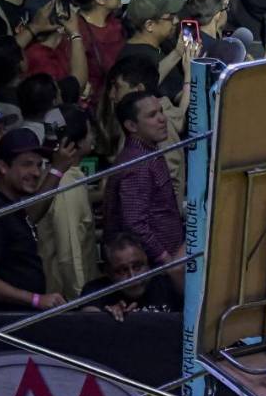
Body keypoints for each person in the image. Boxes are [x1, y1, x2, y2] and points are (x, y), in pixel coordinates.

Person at [0, 128, 81, 312]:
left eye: (39, 165)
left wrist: (57, 170)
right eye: (27, 164)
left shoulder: (7, 202)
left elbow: (31, 216)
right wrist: (35, 299)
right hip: (0, 324)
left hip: (16, 317)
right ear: (4, 167)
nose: (36, 172)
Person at [102, 91, 185, 279]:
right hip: (154, 268)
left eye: (161, 112)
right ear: (131, 125)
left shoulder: (148, 153)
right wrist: (165, 259)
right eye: (152, 115)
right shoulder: (138, 164)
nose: (162, 119)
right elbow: (135, 223)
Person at [36, 106, 93, 300]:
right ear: (72, 143)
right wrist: (80, 300)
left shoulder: (58, 177)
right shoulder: (66, 184)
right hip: (66, 298)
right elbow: (69, 253)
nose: (93, 136)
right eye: (90, 131)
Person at [84, 231, 184, 320]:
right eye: (122, 271)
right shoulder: (96, 291)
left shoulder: (167, 284)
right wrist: (106, 317)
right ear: (108, 272)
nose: (133, 277)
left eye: (137, 266)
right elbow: (87, 320)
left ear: (147, 260)